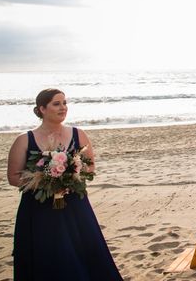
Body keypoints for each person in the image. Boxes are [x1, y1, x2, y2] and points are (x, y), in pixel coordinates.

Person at [7, 88, 123, 281]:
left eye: (65, 103)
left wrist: (70, 177)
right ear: (42, 109)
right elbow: (13, 176)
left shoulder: (78, 134)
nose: (63, 108)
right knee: (46, 256)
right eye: (57, 104)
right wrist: (47, 182)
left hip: (75, 205)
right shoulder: (24, 140)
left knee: (84, 252)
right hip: (39, 208)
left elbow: (90, 167)